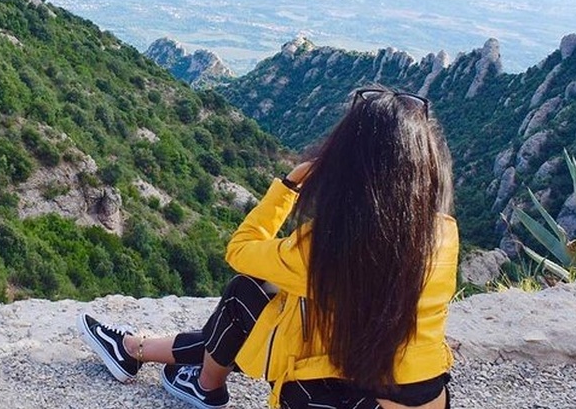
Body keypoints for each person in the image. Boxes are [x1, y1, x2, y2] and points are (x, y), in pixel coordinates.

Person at [79, 86, 458, 409]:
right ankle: (137, 350)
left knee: (247, 294)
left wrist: (288, 186)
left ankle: (159, 362)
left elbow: (240, 249)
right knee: (264, 308)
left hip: (343, 394)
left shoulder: (325, 250)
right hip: (429, 395)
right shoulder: (444, 233)